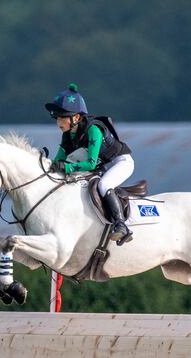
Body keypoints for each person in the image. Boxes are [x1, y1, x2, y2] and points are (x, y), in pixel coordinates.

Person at [45, 83, 135, 245]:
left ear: (77, 117)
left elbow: (91, 164)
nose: (59, 121)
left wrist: (66, 167)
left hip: (120, 162)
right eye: (57, 117)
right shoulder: (67, 134)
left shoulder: (94, 130)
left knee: (104, 185)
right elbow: (58, 161)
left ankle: (121, 225)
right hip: (103, 165)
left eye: (62, 117)